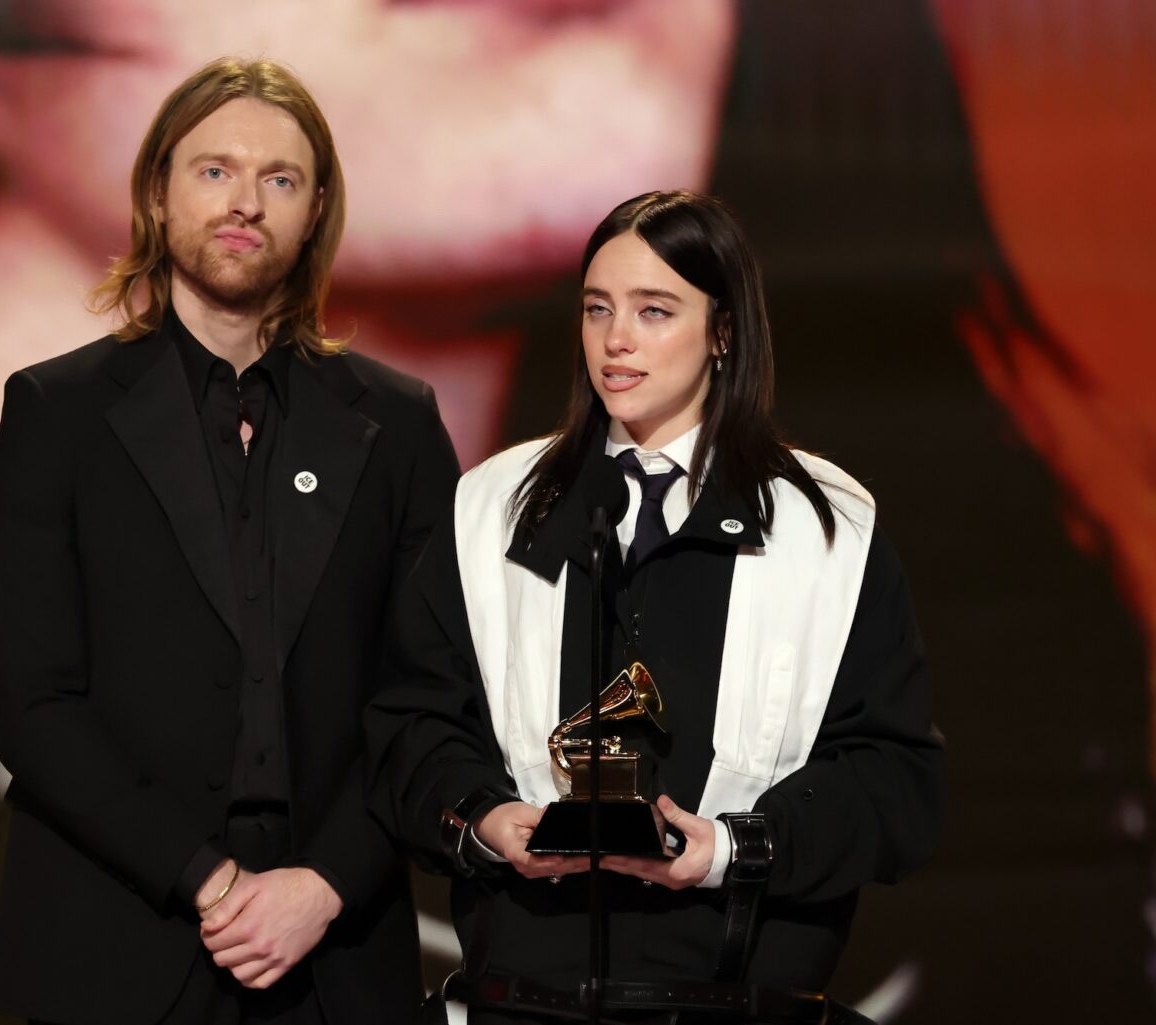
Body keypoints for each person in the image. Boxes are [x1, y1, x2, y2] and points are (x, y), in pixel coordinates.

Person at [365, 190, 945, 1020]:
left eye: (654, 309)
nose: (617, 339)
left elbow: (896, 780)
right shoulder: (490, 506)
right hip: (522, 1002)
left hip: (735, 997)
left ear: (723, 331)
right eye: (598, 308)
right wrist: (488, 817)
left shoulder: (829, 527)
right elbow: (409, 724)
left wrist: (730, 847)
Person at [0, 57, 458, 1025]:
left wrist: (322, 881)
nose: (246, 202)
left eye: (280, 178)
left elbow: (436, 693)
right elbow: (31, 700)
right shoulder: (55, 415)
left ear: (317, 208)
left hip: (337, 955)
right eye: (214, 170)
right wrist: (208, 879)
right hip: (111, 941)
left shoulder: (397, 425)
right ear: (157, 191)